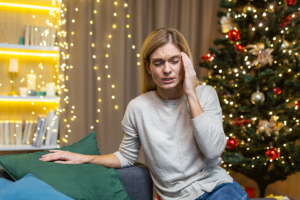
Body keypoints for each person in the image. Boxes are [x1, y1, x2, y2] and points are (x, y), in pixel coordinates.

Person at [39, 27, 249, 200]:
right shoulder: (138, 108)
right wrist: (82, 158)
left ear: (185, 62)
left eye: (174, 61)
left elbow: (213, 151)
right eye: (159, 63)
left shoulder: (205, 94)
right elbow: (126, 157)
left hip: (218, 190)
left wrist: (191, 94)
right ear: (148, 67)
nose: (167, 70)